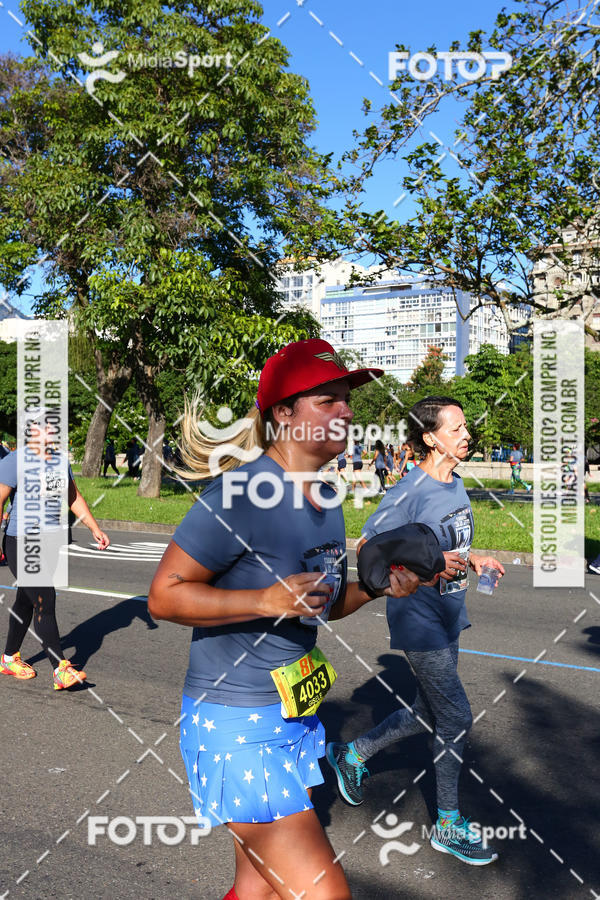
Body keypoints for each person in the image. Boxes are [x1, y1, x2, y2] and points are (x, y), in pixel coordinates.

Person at [148, 338, 420, 900]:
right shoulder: (240, 495)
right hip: (235, 726)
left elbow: (321, 606)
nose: (347, 410)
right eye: (328, 399)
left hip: (294, 720)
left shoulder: (325, 496)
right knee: (324, 892)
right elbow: (165, 596)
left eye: (347, 399)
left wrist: (375, 588)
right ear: (284, 414)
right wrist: (263, 601)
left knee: (261, 888)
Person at [326, 396, 505, 866]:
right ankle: (447, 824)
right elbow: (368, 547)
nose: (467, 435)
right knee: (456, 717)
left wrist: (476, 558)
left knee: (428, 712)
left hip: (450, 612)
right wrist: (423, 567)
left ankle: (353, 755)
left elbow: (452, 544)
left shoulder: (455, 483)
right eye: (457, 429)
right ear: (430, 437)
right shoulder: (410, 490)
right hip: (419, 619)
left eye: (466, 427)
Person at [0, 413, 110, 689]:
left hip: (50, 540)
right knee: (45, 599)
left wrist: (94, 527)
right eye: (46, 425)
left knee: (28, 601)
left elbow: (71, 497)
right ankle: (61, 668)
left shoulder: (59, 461)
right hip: (22, 540)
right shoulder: (16, 460)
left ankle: (8, 658)